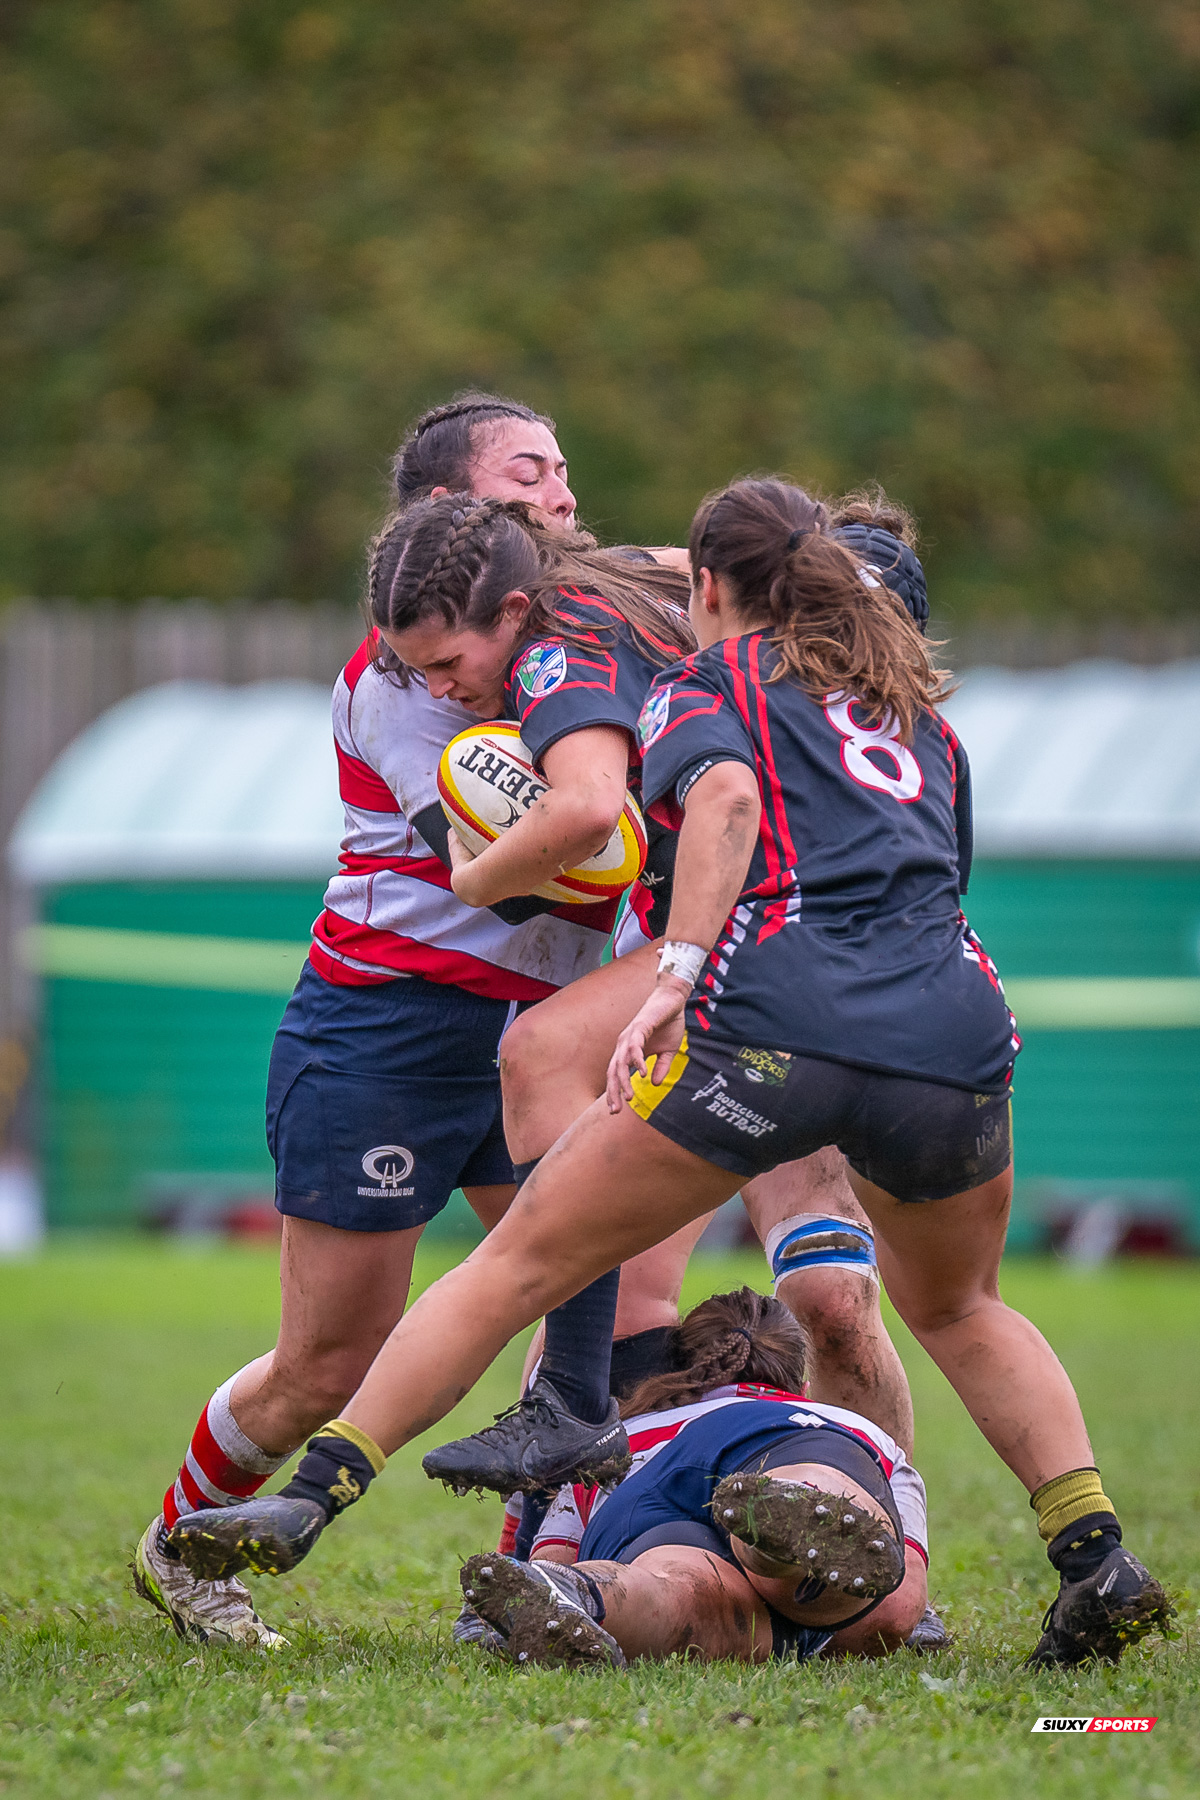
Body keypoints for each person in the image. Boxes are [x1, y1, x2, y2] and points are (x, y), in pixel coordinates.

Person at [166, 476, 1173, 1668]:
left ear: (705, 588)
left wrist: (671, 965)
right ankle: (1094, 1549)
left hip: (777, 1026)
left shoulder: (710, 680)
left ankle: (319, 1493)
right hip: (952, 1039)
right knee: (959, 1306)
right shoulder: (920, 720)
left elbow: (729, 800)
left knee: (523, 1257)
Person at [132, 392, 686, 1647]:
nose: (561, 500)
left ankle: (536, 1588)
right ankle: (182, 1548)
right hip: (389, 1028)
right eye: (526, 479)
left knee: (591, 1311)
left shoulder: (571, 616)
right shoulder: (401, 686)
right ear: (449, 513)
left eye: (563, 474)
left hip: (540, 1035)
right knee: (327, 1362)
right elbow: (559, 862)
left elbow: (697, 567)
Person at [454, 1288, 928, 1667]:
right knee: (874, 1595)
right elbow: (903, 1597)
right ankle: (781, 1523)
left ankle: (589, 1595)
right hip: (783, 1441)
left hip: (639, 1483)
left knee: (677, 1586)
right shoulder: (846, 1422)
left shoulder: (618, 1436)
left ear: (683, 1372)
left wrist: (550, 1567)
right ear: (800, 1386)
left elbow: (556, 1551)